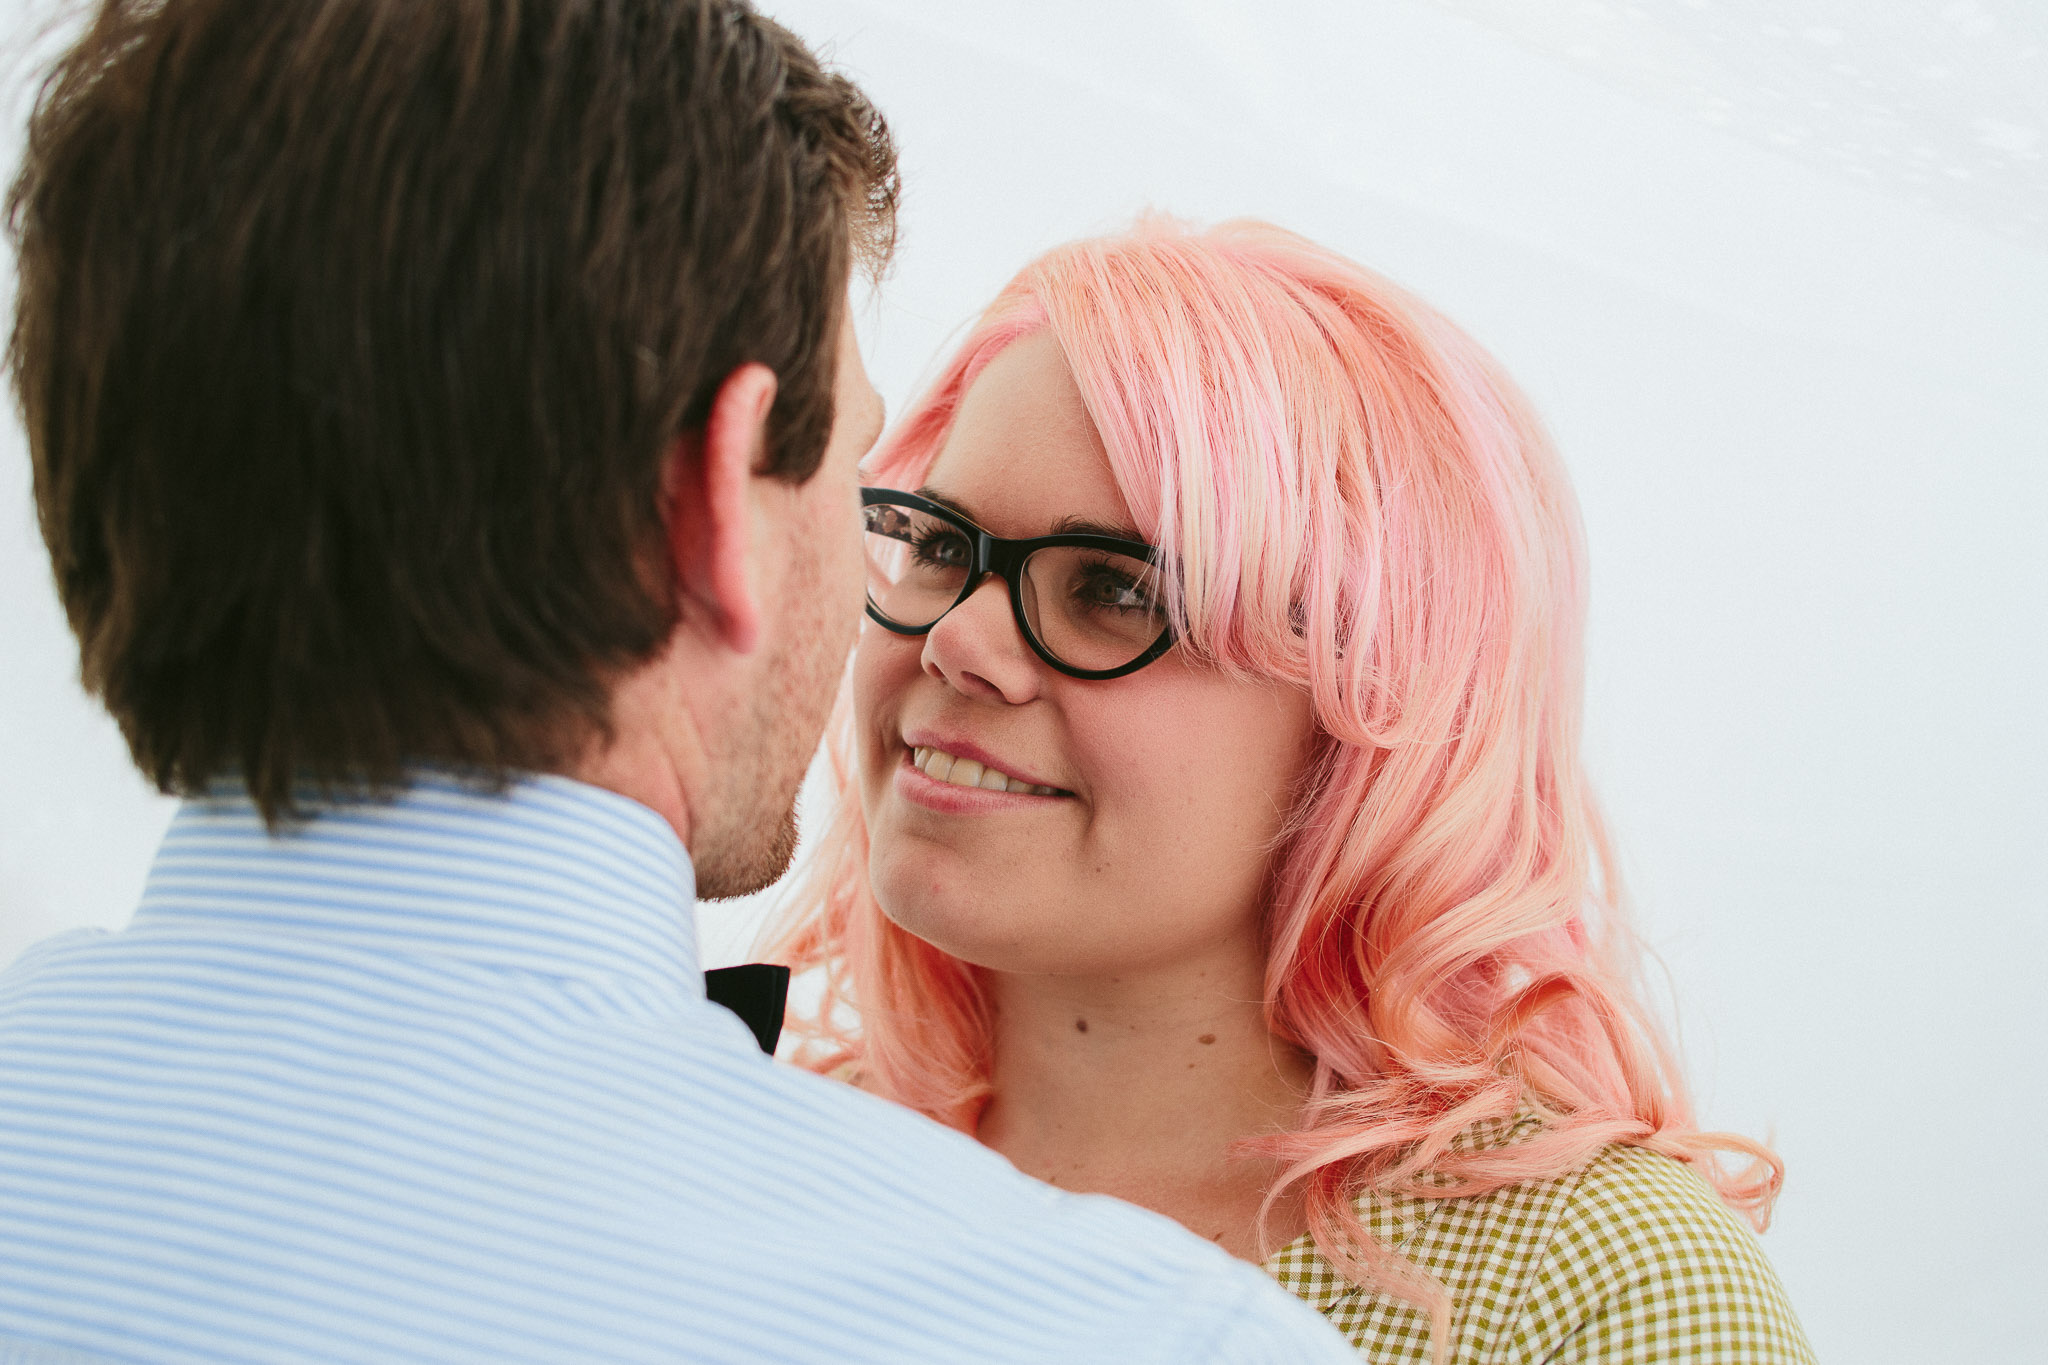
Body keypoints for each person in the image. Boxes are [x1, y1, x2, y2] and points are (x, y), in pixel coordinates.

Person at [0, 3, 1357, 1361]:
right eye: (863, 479)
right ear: (715, 499)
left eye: (1113, 589)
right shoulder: (1126, 1337)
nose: (947, 634)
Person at [771, 218, 1819, 1362]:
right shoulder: (765, 1152)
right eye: (939, 544)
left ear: (1370, 714)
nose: (958, 642)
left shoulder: (1595, 1286)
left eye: (1118, 592)